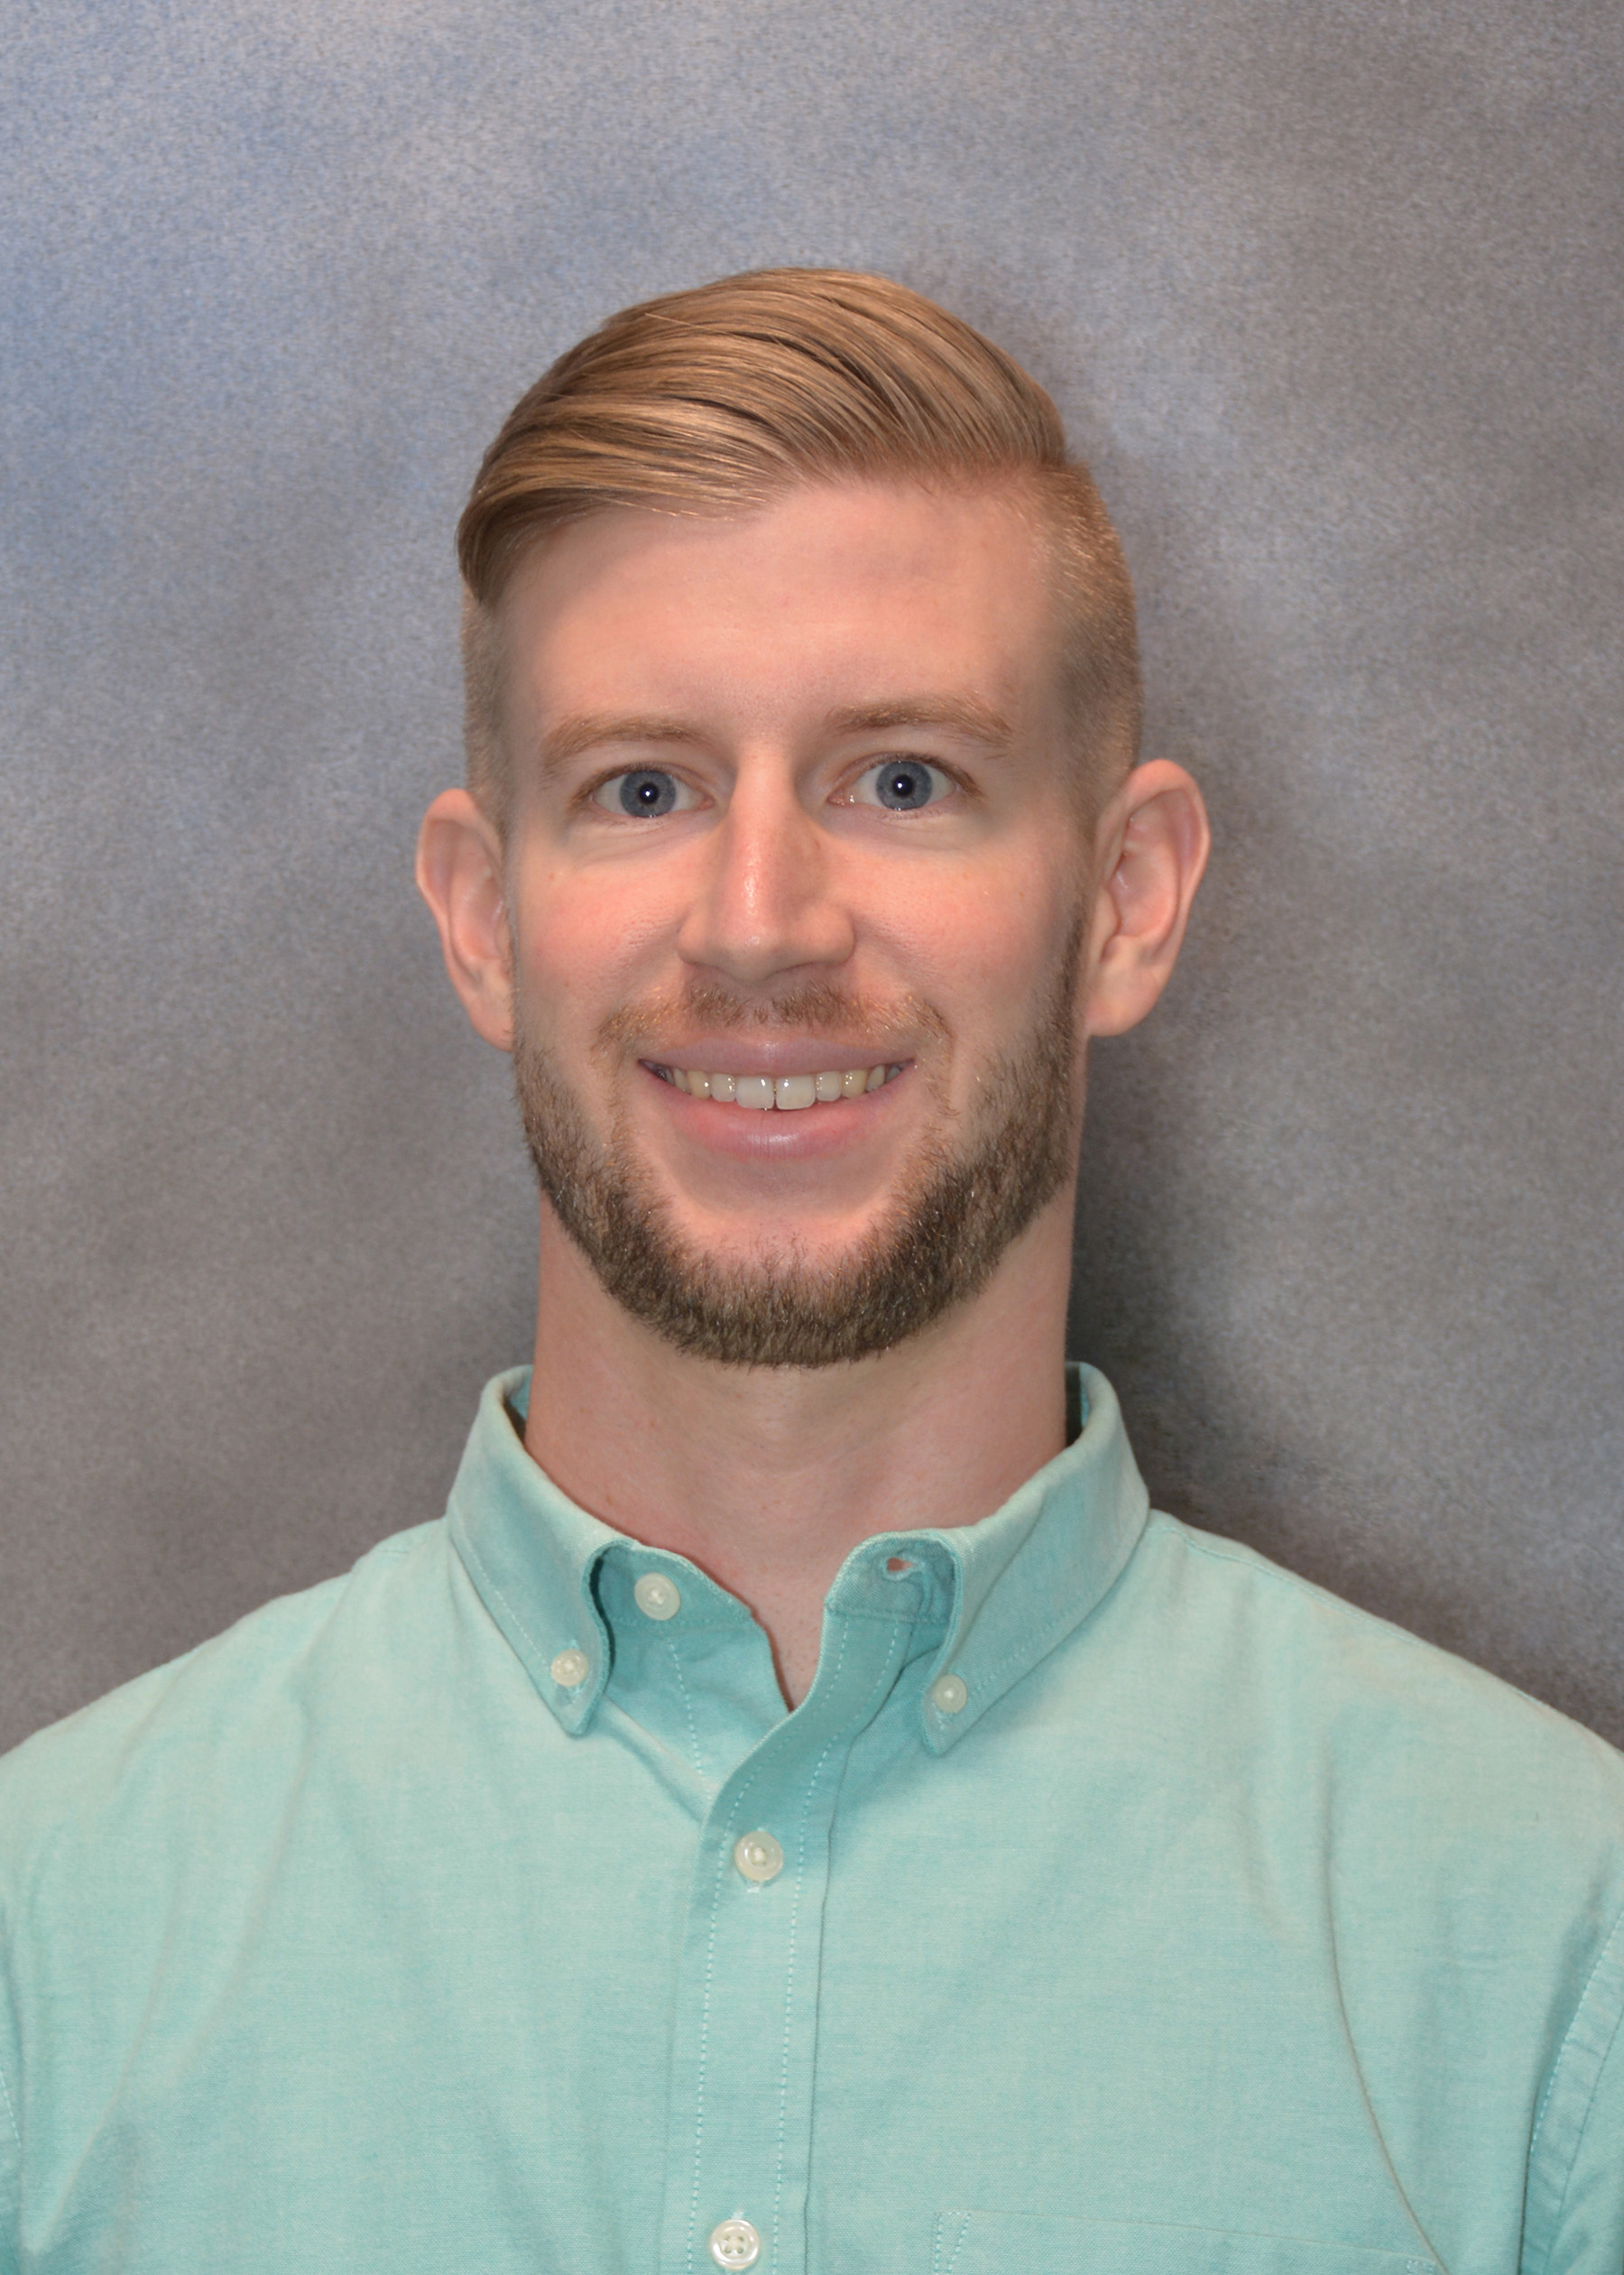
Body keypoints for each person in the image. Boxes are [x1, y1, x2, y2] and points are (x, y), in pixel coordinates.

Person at [1, 269, 1620, 2275]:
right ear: (484, 915)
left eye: (904, 779)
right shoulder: (45, 1948)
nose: (762, 926)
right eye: (646, 788)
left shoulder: (1556, 1961)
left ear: (1125, 900)